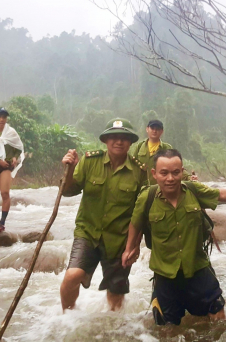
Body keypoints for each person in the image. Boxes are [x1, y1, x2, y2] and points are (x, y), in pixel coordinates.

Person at [122, 149, 226, 325]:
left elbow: (220, 194)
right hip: (165, 272)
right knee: (167, 325)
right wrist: (130, 248)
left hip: (197, 267)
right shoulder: (147, 197)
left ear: (182, 171)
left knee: (217, 311)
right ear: (154, 174)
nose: (170, 178)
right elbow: (135, 223)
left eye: (176, 172)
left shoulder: (193, 190)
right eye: (164, 173)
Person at [59, 118, 146, 312]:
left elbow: (141, 213)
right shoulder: (90, 161)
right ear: (105, 140)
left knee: (116, 292)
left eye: (124, 137)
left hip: (120, 239)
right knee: (72, 275)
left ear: (130, 142)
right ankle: (66, 318)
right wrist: (70, 168)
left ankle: (113, 329)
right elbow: (68, 190)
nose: (118, 141)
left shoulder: (139, 172)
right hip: (88, 232)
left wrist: (134, 245)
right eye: (113, 137)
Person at [130, 119, 196, 184]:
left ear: (162, 131)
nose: (154, 131)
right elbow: (132, 167)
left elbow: (176, 168)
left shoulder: (167, 148)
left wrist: (189, 178)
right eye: (152, 128)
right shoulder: (140, 147)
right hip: (142, 188)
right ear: (147, 129)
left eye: (157, 129)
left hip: (161, 188)